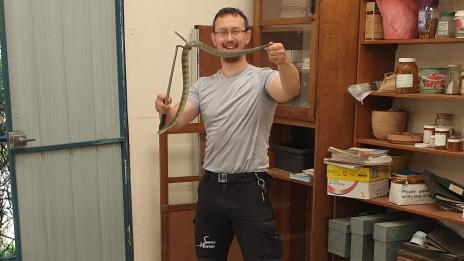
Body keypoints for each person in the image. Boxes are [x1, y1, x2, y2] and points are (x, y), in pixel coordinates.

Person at [155, 7, 300, 261]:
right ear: (213, 39)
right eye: (222, 32)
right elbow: (177, 121)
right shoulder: (204, 86)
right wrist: (166, 109)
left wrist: (284, 63)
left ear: (247, 36)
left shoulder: (263, 78)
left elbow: (290, 89)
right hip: (211, 189)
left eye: (235, 31)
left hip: (250, 188)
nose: (229, 38)